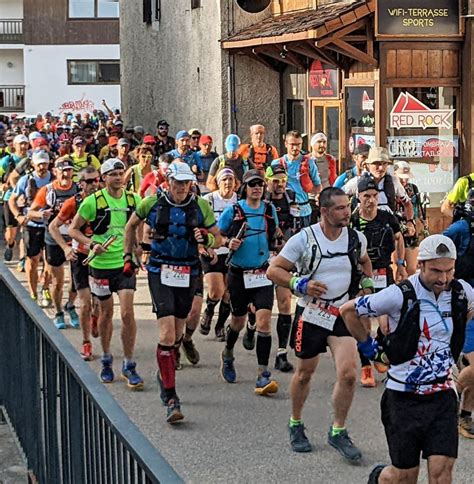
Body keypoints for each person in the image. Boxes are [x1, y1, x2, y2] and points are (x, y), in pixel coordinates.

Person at [340, 235, 474, 483]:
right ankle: (381, 477)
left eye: (449, 270)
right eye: (435, 270)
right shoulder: (398, 295)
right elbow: (348, 311)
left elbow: (468, 311)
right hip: (402, 399)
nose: (443, 279)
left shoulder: (461, 292)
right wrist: (369, 347)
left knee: (442, 475)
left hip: (442, 397)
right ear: (420, 264)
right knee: (404, 477)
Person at [267, 187, 372, 459]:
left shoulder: (355, 238)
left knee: (349, 373)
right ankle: (296, 423)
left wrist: (367, 287)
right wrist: (299, 283)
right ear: (324, 211)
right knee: (304, 374)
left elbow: (364, 262)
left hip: (342, 312)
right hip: (311, 314)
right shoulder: (305, 239)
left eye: (348, 206)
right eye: (339, 208)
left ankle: (338, 430)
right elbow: (274, 270)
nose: (347, 212)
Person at [124, 161, 221, 422]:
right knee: (166, 333)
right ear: (168, 182)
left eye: (186, 183)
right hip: (160, 270)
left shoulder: (200, 205)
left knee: (178, 333)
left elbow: (218, 237)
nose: (181, 187)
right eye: (177, 182)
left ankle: (163, 371)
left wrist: (207, 239)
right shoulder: (151, 202)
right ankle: (170, 397)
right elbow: (130, 225)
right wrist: (130, 253)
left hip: (188, 271)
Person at [68, 158, 144, 390]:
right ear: (104, 178)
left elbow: (140, 222)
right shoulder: (93, 202)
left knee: (128, 313)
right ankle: (107, 358)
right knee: (105, 312)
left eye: (121, 172)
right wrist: (91, 244)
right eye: (113, 174)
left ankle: (129, 364)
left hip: (124, 262)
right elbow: (73, 228)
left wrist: (139, 244)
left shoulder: (134, 199)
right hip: (100, 264)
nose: (118, 177)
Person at [218, 169, 280, 395]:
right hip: (238, 273)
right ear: (244, 187)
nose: (257, 188)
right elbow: (216, 235)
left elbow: (275, 237)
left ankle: (263, 374)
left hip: (263, 272)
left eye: (260, 184)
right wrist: (228, 241)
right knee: (238, 321)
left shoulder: (269, 210)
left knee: (264, 323)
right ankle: (227, 352)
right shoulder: (233, 210)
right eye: (252, 184)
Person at [351, 175, 406, 387]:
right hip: (361, 276)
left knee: (387, 323)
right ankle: (366, 367)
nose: (371, 200)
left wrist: (400, 264)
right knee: (363, 323)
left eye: (374, 196)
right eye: (366, 196)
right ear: (359, 197)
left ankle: (381, 353)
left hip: (384, 272)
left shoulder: (387, 218)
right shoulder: (352, 221)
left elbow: (399, 238)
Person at [49, 167, 101, 361]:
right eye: (89, 181)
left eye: (96, 180)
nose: (94, 185)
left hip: (101, 257)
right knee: (85, 302)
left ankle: (95, 318)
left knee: (99, 303)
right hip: (80, 256)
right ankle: (86, 342)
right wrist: (65, 248)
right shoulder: (73, 202)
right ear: (81, 184)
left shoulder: (105, 200)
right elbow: (53, 226)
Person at [28, 156, 80, 329]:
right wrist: (41, 214)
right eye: (62, 170)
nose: (66, 174)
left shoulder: (79, 190)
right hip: (54, 240)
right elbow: (31, 212)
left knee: (77, 281)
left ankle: (70, 305)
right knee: (58, 281)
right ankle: (58, 312)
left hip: (75, 239)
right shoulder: (47, 190)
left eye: (69, 170)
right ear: (55, 171)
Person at [264, 165, 301, 372]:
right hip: (261, 257)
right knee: (258, 307)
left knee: (285, 303)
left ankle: (281, 353)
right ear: (268, 181)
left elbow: (297, 226)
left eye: (282, 181)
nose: (279, 185)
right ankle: (251, 326)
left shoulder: (291, 197)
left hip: (283, 256)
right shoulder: (262, 200)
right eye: (275, 181)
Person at [8, 150, 53, 303]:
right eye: (39, 163)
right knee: (32, 260)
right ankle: (33, 293)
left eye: (45, 163)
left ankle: (46, 288)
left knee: (50, 262)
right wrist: (18, 216)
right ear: (33, 164)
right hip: (32, 225)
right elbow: (12, 200)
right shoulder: (25, 180)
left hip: (51, 226)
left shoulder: (53, 179)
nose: (42, 167)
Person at [199, 168, 238, 340]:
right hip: (212, 249)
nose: (228, 183)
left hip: (233, 251)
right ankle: (208, 310)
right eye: (224, 180)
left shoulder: (239, 202)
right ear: (218, 182)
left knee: (229, 293)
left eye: (231, 179)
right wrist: (205, 246)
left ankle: (220, 325)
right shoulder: (208, 200)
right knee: (216, 291)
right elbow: (199, 225)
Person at [271, 130, 322, 227]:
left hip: (304, 210)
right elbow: (270, 187)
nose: (295, 148)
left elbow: (318, 186)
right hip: (283, 211)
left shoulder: (309, 162)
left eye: (298, 144)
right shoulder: (277, 163)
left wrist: (308, 187)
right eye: (292, 144)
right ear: (286, 144)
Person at [394, 161, 429, 275]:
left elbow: (417, 209)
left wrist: (422, 223)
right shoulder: (390, 188)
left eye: (406, 178)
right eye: (401, 178)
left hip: (410, 229)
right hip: (395, 230)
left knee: (412, 268)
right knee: (396, 267)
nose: (404, 181)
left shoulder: (413, 188)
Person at [0, 134, 29, 261]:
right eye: (20, 144)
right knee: (11, 231)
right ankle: (10, 244)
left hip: (27, 199)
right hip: (10, 197)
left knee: (25, 229)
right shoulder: (7, 160)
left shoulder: (31, 160)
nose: (23, 147)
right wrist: (1, 186)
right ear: (14, 145)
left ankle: (23, 258)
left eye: (25, 144)